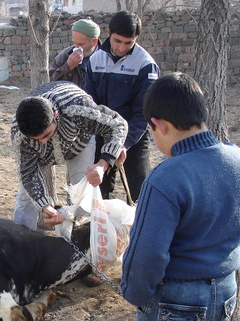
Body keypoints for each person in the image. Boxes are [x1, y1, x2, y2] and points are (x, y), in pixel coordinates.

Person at [121, 73, 240, 321]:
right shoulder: (238, 158)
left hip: (174, 299)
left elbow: (148, 254)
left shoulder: (166, 177)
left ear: (159, 125)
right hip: (223, 289)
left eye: (152, 133)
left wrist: (135, 293)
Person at [11, 81, 127, 231]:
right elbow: (28, 174)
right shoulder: (19, 134)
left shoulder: (77, 108)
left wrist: (103, 163)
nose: (44, 142)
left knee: (82, 188)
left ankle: (80, 238)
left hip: (79, 142)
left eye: (46, 135)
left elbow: (117, 124)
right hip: (39, 156)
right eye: (37, 139)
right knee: (26, 197)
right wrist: (46, 206)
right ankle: (19, 241)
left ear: (55, 115)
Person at [85, 11, 160, 201]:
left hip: (134, 138)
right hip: (102, 133)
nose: (122, 48)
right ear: (108, 33)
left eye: (129, 43)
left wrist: (123, 144)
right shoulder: (95, 60)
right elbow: (90, 104)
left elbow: (143, 113)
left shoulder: (146, 65)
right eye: (117, 41)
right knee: (99, 192)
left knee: (139, 193)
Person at [49, 18, 101, 88]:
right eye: (75, 43)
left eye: (81, 44)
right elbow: (50, 83)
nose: (77, 47)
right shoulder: (65, 55)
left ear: (94, 41)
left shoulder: (105, 58)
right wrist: (68, 66)